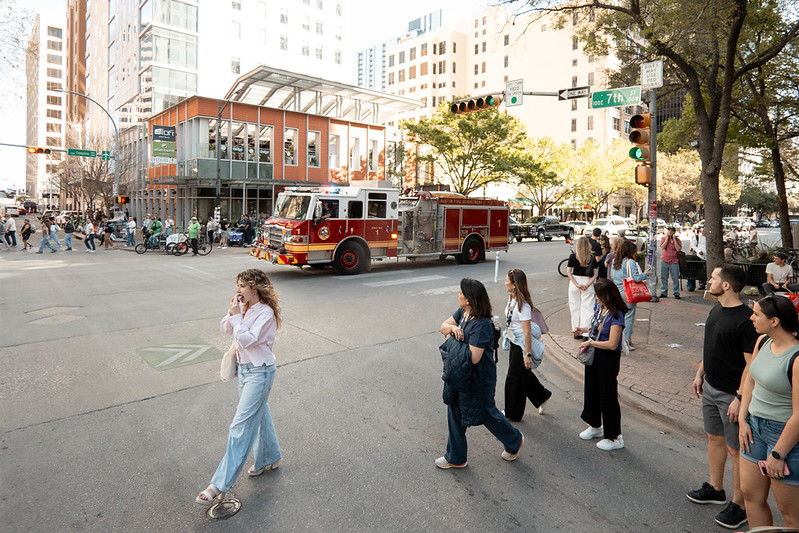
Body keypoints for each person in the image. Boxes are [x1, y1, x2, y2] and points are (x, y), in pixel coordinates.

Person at [196, 269, 283, 505]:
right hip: (244, 371)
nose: (237, 290)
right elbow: (225, 329)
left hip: (260, 373)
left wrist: (236, 319)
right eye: (237, 285)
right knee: (261, 416)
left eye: (242, 286)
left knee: (240, 426)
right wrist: (232, 313)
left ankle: (218, 484)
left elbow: (247, 339)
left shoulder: (265, 314)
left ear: (254, 289)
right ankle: (269, 458)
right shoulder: (243, 308)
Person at [687, 265, 759, 529]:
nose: (710, 281)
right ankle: (717, 489)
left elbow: (751, 365)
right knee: (714, 438)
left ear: (726, 285)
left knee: (736, 450)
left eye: (714, 278)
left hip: (732, 395)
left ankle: (740, 505)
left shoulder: (746, 319)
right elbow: (711, 346)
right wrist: (700, 374)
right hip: (711, 387)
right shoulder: (715, 309)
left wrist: (740, 398)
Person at [436, 278, 524, 469]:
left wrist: (450, 341)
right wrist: (452, 329)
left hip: (478, 380)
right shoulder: (462, 313)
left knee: (486, 414)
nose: (458, 295)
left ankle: (514, 440)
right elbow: (443, 327)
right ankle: (456, 457)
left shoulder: (482, 325)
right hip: (460, 376)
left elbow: (474, 357)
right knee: (455, 411)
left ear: (468, 299)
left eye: (460, 293)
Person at [738, 295, 799, 529]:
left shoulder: (795, 357)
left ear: (774, 321)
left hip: (784, 437)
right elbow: (751, 381)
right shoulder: (762, 341)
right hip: (754, 428)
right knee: (751, 497)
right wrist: (744, 419)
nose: (751, 318)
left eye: (756, 314)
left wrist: (778, 454)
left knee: (790, 513)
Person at [578, 278, 629, 451]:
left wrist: (591, 343)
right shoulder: (600, 308)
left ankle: (614, 436)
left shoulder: (617, 315)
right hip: (595, 355)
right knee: (592, 390)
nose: (596, 298)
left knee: (607, 395)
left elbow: (612, 344)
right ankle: (595, 426)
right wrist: (584, 330)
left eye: (598, 295)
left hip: (608, 358)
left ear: (606, 296)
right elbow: (597, 328)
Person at [503, 269, 552, 421]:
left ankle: (513, 414)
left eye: (507, 281)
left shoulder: (523, 305)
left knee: (513, 378)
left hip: (522, 344)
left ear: (514, 285)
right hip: (513, 340)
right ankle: (542, 396)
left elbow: (527, 332)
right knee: (522, 374)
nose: (505, 282)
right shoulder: (512, 298)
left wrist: (528, 354)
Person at [609, 239, 649, 350]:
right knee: (629, 317)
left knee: (619, 316)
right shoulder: (630, 262)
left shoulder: (615, 261)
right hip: (628, 293)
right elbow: (636, 278)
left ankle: (618, 339)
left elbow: (612, 276)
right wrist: (645, 274)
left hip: (617, 291)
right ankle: (625, 342)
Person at [567, 237, 598, 339]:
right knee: (588, 308)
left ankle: (576, 331)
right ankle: (585, 333)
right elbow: (595, 275)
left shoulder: (572, 257)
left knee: (574, 307)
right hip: (587, 282)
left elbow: (568, 272)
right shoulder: (592, 257)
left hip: (575, 282)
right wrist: (587, 285)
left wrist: (576, 284)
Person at [659, 225, 682, 299]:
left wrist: (674, 240)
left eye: (671, 231)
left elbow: (678, 249)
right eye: (669, 231)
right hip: (664, 259)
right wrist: (667, 239)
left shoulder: (678, 240)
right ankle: (663, 292)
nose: (670, 232)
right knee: (663, 277)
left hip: (674, 261)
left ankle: (676, 292)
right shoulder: (663, 238)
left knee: (675, 278)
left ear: (674, 232)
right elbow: (663, 246)